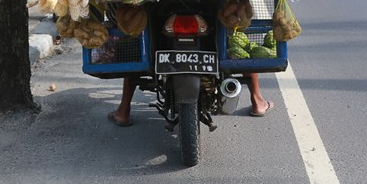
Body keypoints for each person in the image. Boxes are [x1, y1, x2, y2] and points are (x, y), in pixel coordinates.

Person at [108, 73, 273, 127]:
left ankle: (123, 110)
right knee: (238, 40)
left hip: (160, 11)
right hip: (210, 7)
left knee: (134, 41)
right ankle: (257, 101)